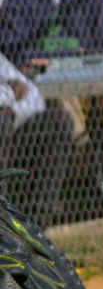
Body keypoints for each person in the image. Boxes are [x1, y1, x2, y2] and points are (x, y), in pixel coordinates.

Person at [0, 48, 74, 227]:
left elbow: (34, 97)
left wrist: (11, 109)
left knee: (57, 120)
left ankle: (36, 223)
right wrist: (11, 91)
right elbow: (16, 89)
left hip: (16, 133)